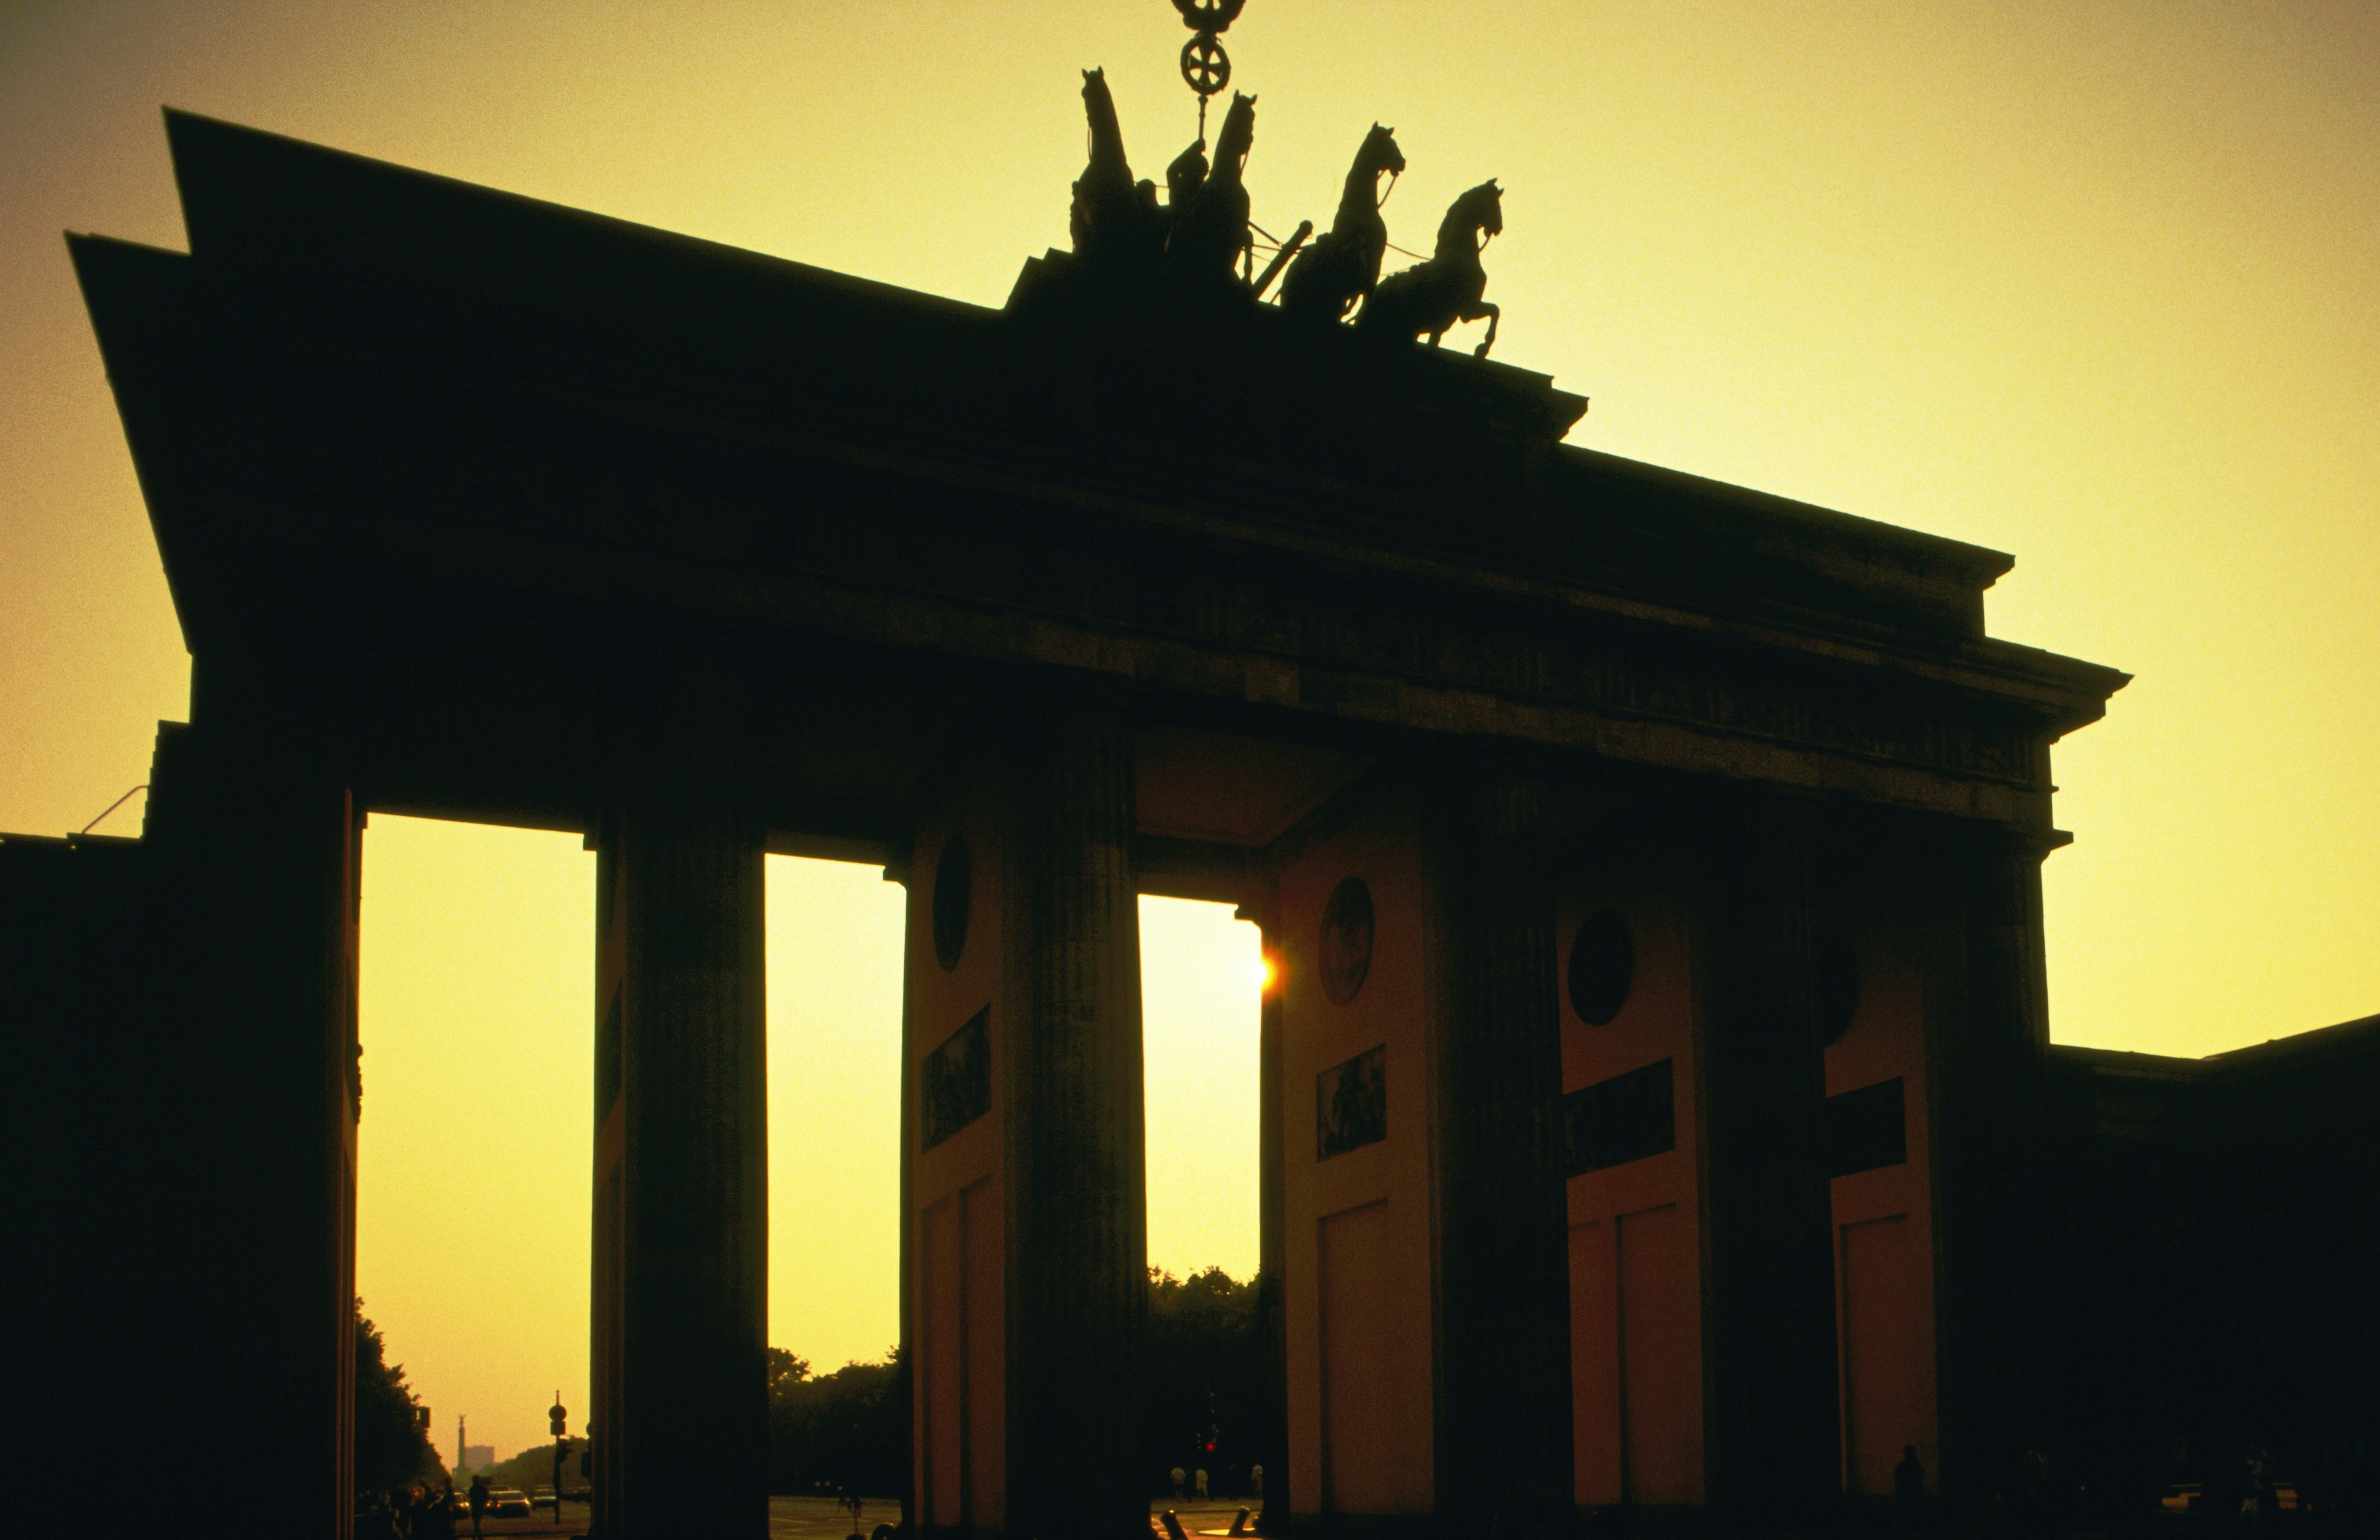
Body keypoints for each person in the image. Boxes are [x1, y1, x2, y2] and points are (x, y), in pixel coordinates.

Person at [1894, 1445, 1926, 1520]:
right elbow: (1921, 1475)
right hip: (1915, 1490)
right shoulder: (1916, 1465)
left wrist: (1897, 1491)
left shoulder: (1901, 1465)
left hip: (1906, 1490)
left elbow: (1897, 1479)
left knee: (1907, 1510)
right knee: (1914, 1510)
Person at [467, 1474, 490, 1540]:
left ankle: (479, 1535)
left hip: (475, 1507)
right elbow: (487, 1497)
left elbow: (470, 1497)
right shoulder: (483, 1488)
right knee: (478, 1522)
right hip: (480, 1507)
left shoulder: (473, 1489)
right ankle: (479, 1535)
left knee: (476, 1522)